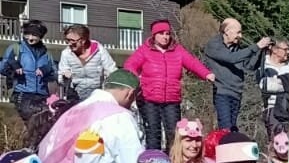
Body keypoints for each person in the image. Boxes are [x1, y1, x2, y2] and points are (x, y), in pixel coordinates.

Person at [126, 19, 214, 149]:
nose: (165, 37)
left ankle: (173, 159)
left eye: (167, 33)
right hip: (148, 99)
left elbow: (192, 62)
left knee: (174, 133)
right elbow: (130, 65)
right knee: (153, 133)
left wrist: (206, 74)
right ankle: (154, 159)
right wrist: (134, 80)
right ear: (154, 35)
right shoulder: (144, 50)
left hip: (172, 99)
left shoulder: (177, 50)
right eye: (161, 33)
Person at [203, 19, 271, 131]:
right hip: (222, 93)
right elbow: (231, 58)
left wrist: (261, 51)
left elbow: (249, 65)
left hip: (236, 94)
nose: (240, 36)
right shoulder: (214, 45)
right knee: (226, 129)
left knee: (233, 130)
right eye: (238, 32)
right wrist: (256, 46)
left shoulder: (236, 48)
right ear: (227, 31)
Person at [1, 19, 56, 122]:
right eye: (27, 34)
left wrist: (45, 69)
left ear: (40, 36)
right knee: (25, 125)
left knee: (42, 126)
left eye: (34, 35)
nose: (30, 38)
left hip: (42, 96)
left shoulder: (46, 53)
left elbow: (55, 73)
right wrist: (14, 67)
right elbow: (2, 67)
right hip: (22, 93)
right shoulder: (15, 48)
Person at [58, 24, 116, 102]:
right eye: (67, 40)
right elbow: (60, 79)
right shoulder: (66, 54)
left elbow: (112, 70)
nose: (69, 43)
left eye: (72, 41)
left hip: (97, 97)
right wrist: (64, 76)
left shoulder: (99, 50)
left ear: (83, 40)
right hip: (75, 98)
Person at [259, 36, 289, 133]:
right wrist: (288, 82)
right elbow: (265, 85)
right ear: (274, 50)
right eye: (285, 49)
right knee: (277, 140)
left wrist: (277, 81)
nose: (288, 52)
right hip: (272, 109)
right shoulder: (263, 65)